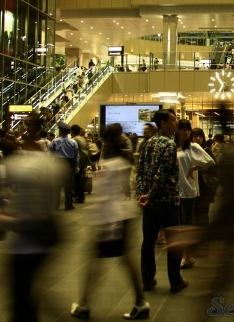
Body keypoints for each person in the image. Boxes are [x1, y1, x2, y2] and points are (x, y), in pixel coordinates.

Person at [70, 124, 148, 320]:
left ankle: (85, 304)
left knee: (95, 263)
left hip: (110, 219)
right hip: (123, 214)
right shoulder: (123, 162)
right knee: (124, 260)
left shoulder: (110, 166)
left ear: (106, 141)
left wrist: (102, 224)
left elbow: (105, 196)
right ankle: (140, 301)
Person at [0, 116, 63, 322]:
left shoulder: (25, 167)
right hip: (41, 237)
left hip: (31, 241)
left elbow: (33, 216)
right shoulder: (45, 164)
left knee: (21, 298)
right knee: (26, 293)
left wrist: (1, 218)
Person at [135, 109, 188, 293]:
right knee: (174, 241)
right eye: (173, 120)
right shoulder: (169, 144)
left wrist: (142, 195)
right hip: (168, 201)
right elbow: (162, 175)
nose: (176, 123)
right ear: (163, 123)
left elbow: (140, 171)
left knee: (147, 242)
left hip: (149, 204)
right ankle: (175, 281)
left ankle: (147, 280)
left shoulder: (147, 143)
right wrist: (150, 195)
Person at [176, 120, 215, 270]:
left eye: (188, 129)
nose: (185, 132)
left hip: (188, 190)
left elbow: (210, 162)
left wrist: (193, 169)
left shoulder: (193, 147)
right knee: (179, 224)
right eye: (182, 129)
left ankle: (188, 254)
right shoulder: (172, 146)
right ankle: (183, 252)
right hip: (174, 191)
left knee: (187, 223)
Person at [49, 121, 79, 210]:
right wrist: (76, 166)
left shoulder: (55, 141)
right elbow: (76, 156)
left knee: (56, 186)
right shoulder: (73, 142)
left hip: (58, 163)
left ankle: (55, 205)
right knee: (69, 186)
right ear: (68, 132)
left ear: (60, 131)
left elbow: (50, 153)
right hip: (69, 164)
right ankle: (68, 205)